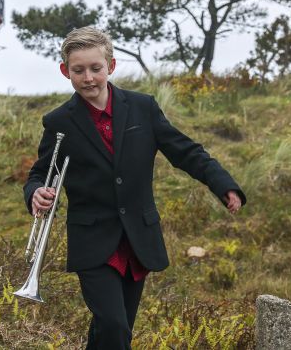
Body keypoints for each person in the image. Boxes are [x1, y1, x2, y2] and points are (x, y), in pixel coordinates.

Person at [23, 26, 246, 349]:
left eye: (96, 69)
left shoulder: (144, 107)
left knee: (113, 329)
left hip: (137, 239)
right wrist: (36, 194)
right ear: (65, 71)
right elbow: (40, 173)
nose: (88, 78)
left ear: (110, 67)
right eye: (78, 70)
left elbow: (187, 152)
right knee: (114, 328)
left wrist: (223, 185)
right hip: (92, 242)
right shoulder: (59, 121)